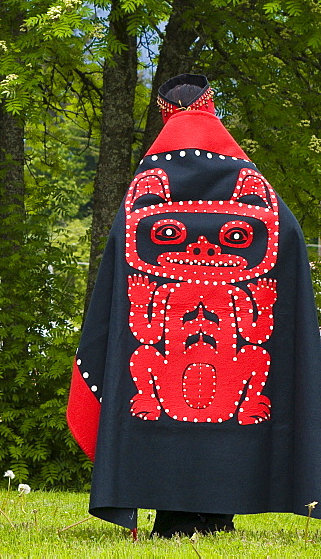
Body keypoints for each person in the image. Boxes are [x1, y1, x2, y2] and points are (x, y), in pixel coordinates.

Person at [67, 74, 321, 537]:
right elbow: (290, 238)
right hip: (205, 351)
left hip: (187, 348)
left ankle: (173, 511)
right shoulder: (252, 185)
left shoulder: (147, 187)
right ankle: (218, 511)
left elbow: (117, 279)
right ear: (212, 110)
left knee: (157, 377)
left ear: (165, 115)